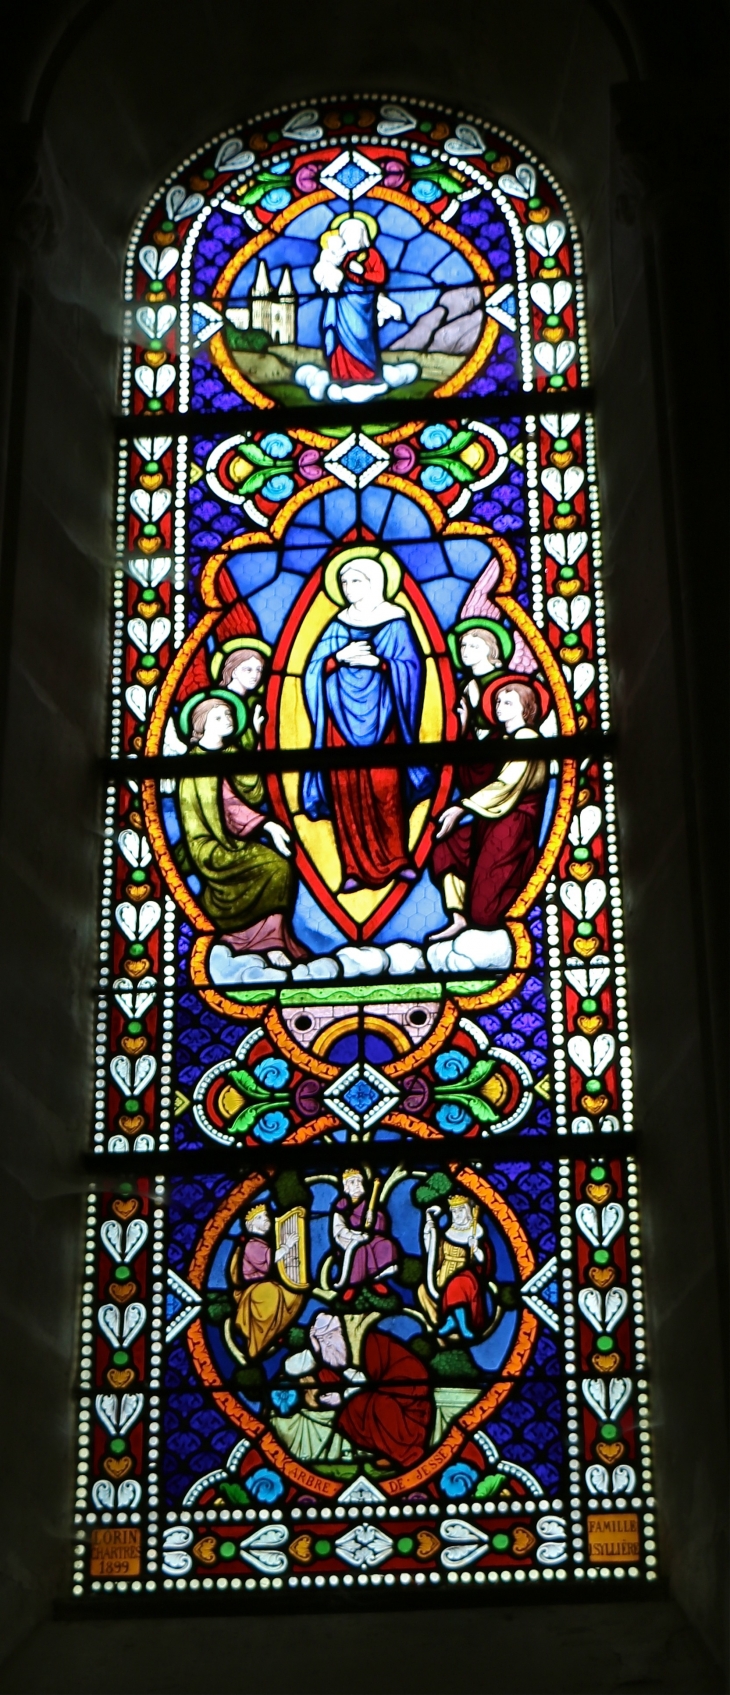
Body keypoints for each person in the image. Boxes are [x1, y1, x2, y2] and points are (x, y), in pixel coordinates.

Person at [302, 546, 431, 890]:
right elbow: (313, 669)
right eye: (344, 582)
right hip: (338, 724)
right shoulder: (337, 625)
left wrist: (382, 666)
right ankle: (353, 870)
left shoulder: (395, 620)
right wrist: (336, 659)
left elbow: (412, 668)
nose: (349, 588)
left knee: (386, 787)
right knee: (347, 793)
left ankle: (397, 858)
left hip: (386, 719)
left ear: (376, 582)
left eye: (356, 580)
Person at [177, 691, 305, 960]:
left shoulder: (233, 753)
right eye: (219, 716)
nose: (228, 719)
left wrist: (257, 738)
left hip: (235, 840)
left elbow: (252, 793)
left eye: (229, 714)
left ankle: (272, 939)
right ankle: (247, 941)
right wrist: (266, 825)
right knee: (275, 867)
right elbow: (223, 808)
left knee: (278, 867)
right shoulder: (193, 765)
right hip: (208, 845)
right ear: (202, 724)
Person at [429, 677, 547, 940]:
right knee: (446, 847)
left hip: (514, 826)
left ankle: (519, 922)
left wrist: (461, 808)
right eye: (497, 701)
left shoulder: (528, 738)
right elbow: (476, 777)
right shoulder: (500, 739)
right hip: (489, 821)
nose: (499, 707)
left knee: (484, 913)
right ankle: (458, 919)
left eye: (508, 702)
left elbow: (505, 784)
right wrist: (465, 725)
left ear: (525, 707)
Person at [290, 1311, 431, 1471]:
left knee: (376, 1405)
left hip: (407, 1404)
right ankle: (387, 1451)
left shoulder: (370, 1344)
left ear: (340, 1333)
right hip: (378, 1400)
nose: (327, 1344)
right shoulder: (334, 1360)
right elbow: (326, 1378)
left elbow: (406, 1377)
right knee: (353, 1410)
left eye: (329, 1337)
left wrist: (343, 1396)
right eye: (321, 1340)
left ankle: (406, 1455)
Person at [314, 214, 403, 388]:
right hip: (340, 303)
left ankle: (367, 373)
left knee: (362, 336)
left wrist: (362, 272)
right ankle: (340, 376)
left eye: (355, 233)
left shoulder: (372, 255)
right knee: (337, 336)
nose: (351, 237)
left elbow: (380, 277)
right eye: (347, 234)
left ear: (363, 235)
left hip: (363, 304)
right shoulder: (340, 256)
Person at [230, 1202, 303, 1359]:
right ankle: (258, 1344)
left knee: (294, 1295)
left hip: (264, 1286)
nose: (266, 1219)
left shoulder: (261, 1243)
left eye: (266, 1216)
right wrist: (287, 1246)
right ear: (252, 1223)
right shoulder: (252, 1245)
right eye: (261, 1217)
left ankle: (270, 1335)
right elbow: (271, 1259)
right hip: (255, 1290)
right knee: (273, 1292)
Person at [421, 1193, 492, 1342]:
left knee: (459, 1283)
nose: (457, 1215)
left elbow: (484, 1263)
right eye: (454, 1211)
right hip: (444, 1274)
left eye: (460, 1210)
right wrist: (428, 1232)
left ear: (467, 1210)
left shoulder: (476, 1232)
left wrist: (476, 1249)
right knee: (434, 1288)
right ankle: (453, 1320)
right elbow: (434, 1252)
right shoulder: (447, 1233)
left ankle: (462, 1325)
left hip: (468, 1274)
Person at [332, 1171, 399, 1296]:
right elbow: (339, 1229)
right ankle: (351, 1285)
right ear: (346, 1187)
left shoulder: (368, 1203)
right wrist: (355, 1236)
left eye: (359, 1181)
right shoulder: (341, 1205)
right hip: (348, 1240)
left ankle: (375, 1279)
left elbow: (379, 1225)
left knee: (386, 1244)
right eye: (352, 1182)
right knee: (360, 1248)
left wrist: (375, 1217)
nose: (357, 1185)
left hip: (368, 1237)